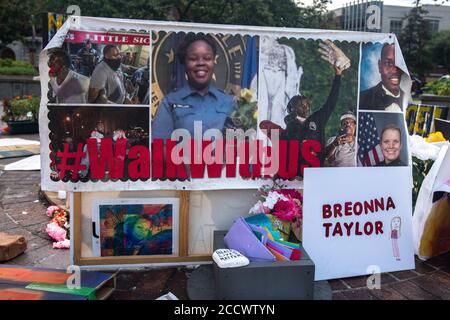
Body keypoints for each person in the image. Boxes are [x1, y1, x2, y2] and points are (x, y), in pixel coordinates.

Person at [276, 40, 351, 166]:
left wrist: (338, 75)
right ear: (293, 109)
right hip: (297, 174)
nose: (306, 107)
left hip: (316, 171)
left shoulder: (317, 119)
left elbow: (331, 102)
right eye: (301, 105)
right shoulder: (289, 129)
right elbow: (285, 155)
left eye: (307, 104)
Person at [151, 33, 236, 140]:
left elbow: (236, 146)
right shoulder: (170, 102)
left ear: (213, 61)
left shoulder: (229, 102)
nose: (201, 63)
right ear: (184, 62)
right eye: (193, 58)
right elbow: (160, 147)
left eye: (207, 58)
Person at [359, 43, 404, 112]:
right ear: (380, 66)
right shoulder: (362, 99)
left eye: (399, 64)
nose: (394, 70)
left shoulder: (409, 99)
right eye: (388, 63)